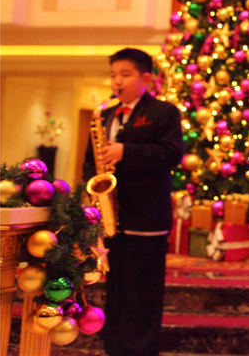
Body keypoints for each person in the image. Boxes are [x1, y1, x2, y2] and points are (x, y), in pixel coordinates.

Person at [82, 48, 183, 356]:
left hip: (147, 218)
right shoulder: (106, 114)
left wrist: (125, 152)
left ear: (146, 78)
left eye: (125, 75)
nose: (117, 82)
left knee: (145, 292)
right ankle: (115, 347)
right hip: (112, 219)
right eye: (113, 75)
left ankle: (141, 349)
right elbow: (90, 161)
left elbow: (171, 154)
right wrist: (93, 188)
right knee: (117, 291)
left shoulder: (164, 112)